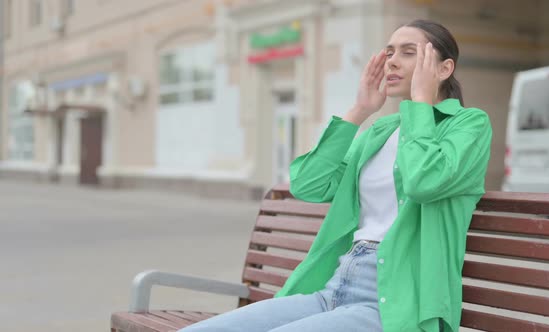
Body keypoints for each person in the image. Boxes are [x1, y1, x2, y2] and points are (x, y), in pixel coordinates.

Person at [179, 19, 492, 332]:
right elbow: (308, 185)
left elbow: (424, 182)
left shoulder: (469, 125)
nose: (391, 61)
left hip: (395, 304)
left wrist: (421, 104)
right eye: (389, 51)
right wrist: (359, 110)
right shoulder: (381, 131)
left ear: (444, 68)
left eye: (409, 52)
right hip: (334, 290)